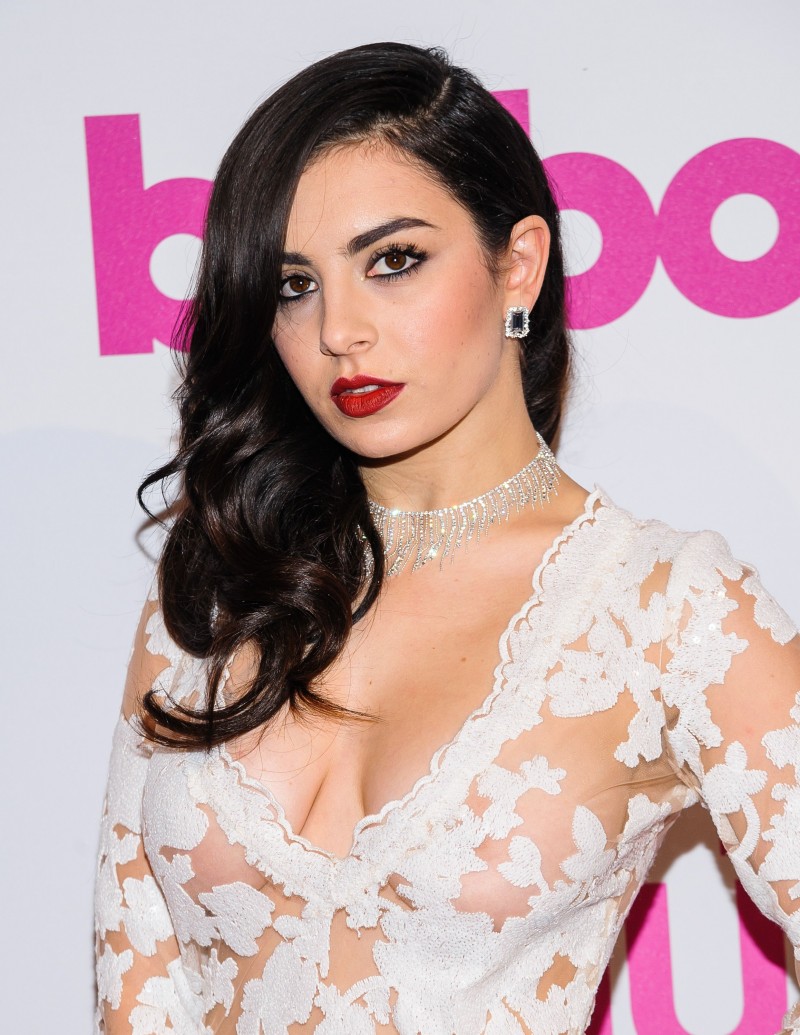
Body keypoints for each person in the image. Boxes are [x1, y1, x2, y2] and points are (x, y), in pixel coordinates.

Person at [94, 41, 800, 1035]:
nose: (340, 330)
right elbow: (136, 991)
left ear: (518, 266)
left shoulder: (664, 612)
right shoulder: (218, 588)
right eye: (294, 284)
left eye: (393, 262)